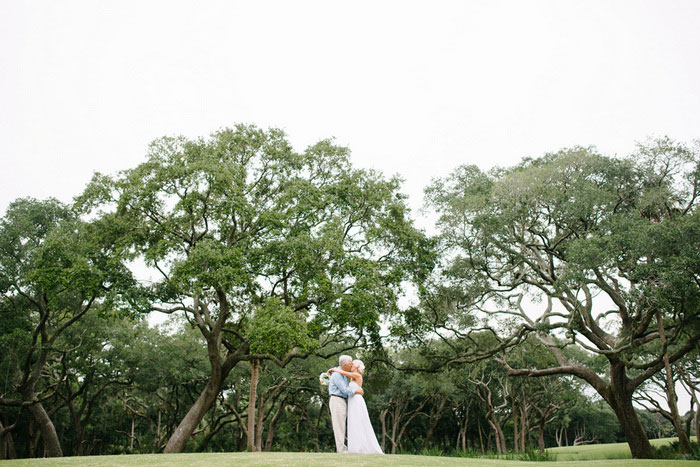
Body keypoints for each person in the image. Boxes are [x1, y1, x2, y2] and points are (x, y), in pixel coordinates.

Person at [329, 359, 384, 454]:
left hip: (356, 401)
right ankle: (355, 446)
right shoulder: (349, 377)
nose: (351, 366)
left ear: (356, 367)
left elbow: (343, 373)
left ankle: (361, 447)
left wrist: (334, 369)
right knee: (353, 423)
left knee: (359, 421)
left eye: (352, 364)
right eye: (350, 364)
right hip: (351, 400)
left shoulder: (356, 375)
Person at [328, 355, 363, 453]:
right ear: (345, 365)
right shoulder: (337, 375)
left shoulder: (342, 374)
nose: (352, 365)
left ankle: (343, 448)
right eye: (350, 363)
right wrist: (357, 391)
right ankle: (341, 449)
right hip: (337, 400)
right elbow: (344, 390)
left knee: (342, 424)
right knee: (339, 425)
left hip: (341, 400)